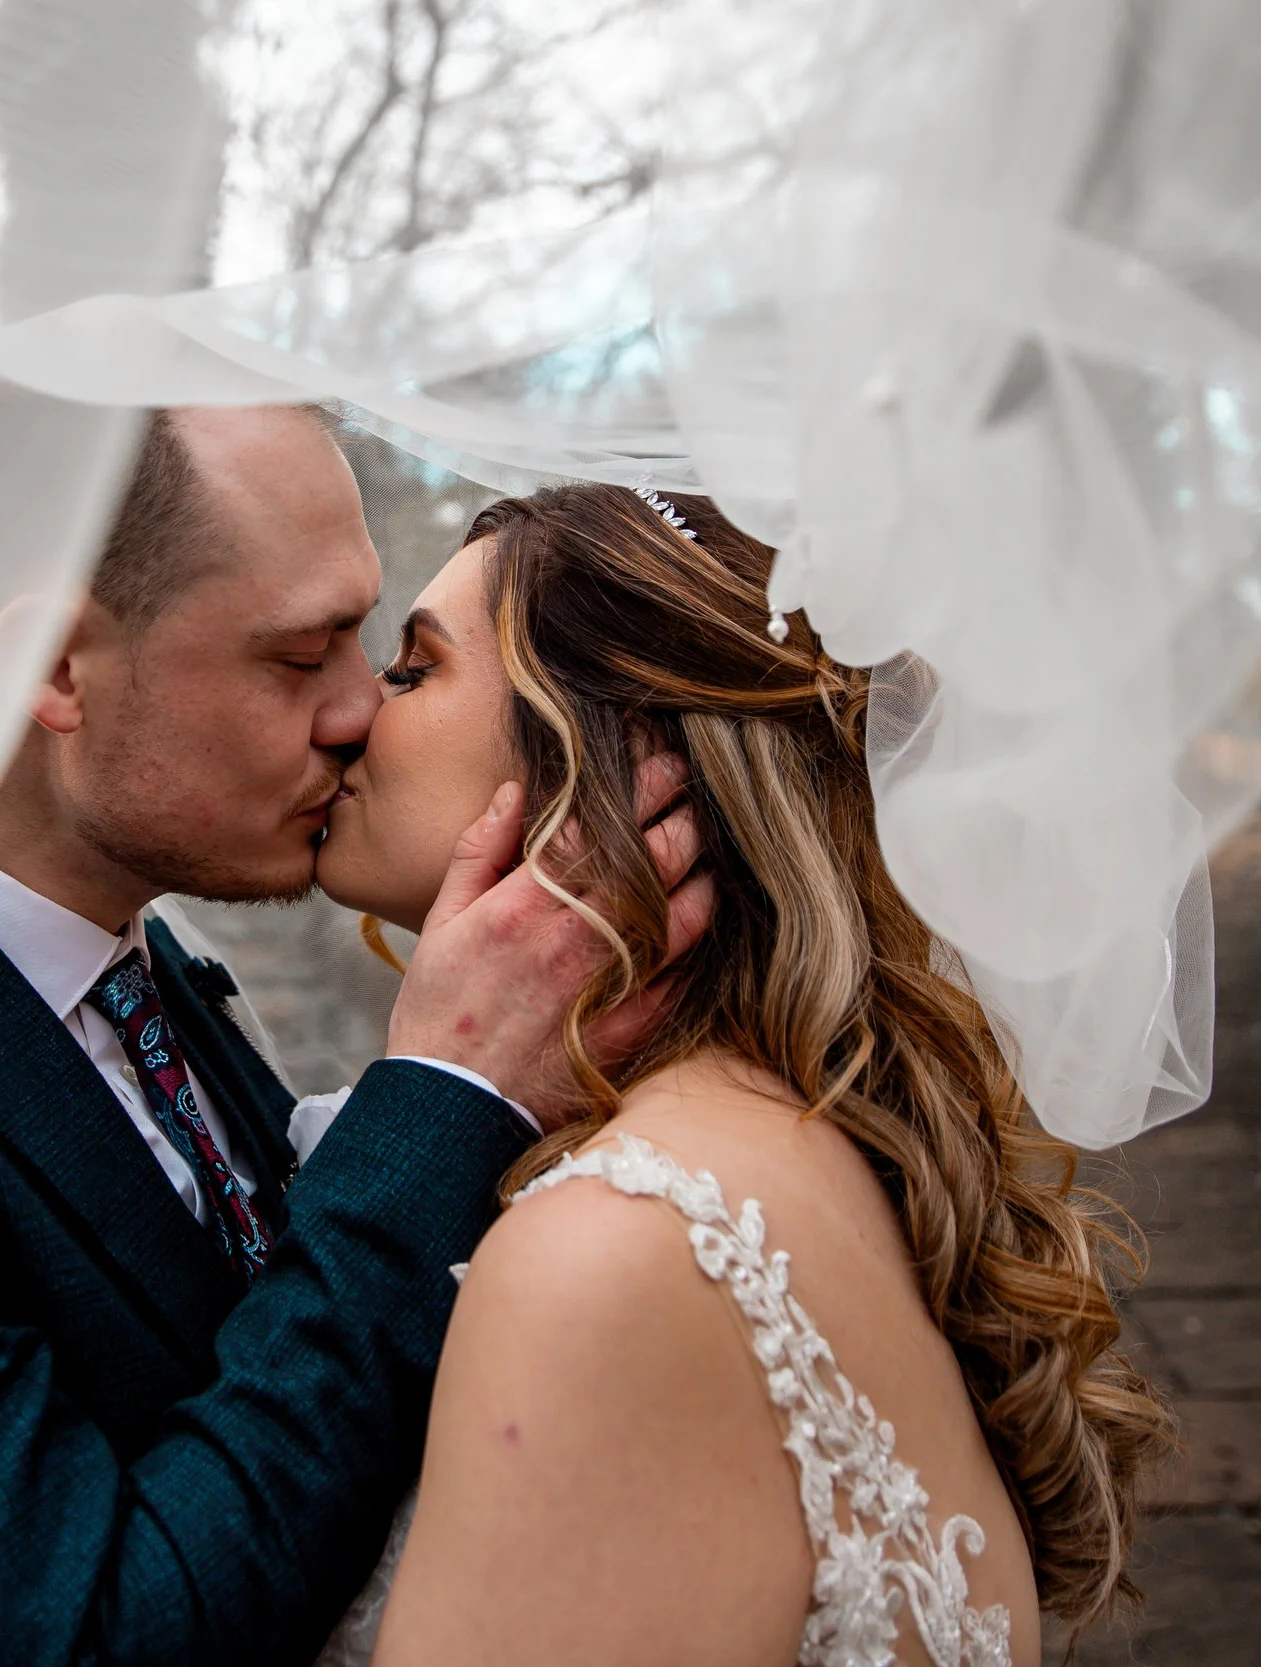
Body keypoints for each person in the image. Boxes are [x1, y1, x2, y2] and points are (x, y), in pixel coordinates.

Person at [0, 400, 713, 1667]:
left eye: (370, 638)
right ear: (54, 667)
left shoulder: (160, 974)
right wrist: (441, 1096)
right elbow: (77, 1636)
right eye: (298, 654)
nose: (357, 708)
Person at [311, 484, 1175, 1667]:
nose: (355, 706)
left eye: (414, 669)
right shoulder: (825, 1135)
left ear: (604, 760)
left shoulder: (615, 1251)